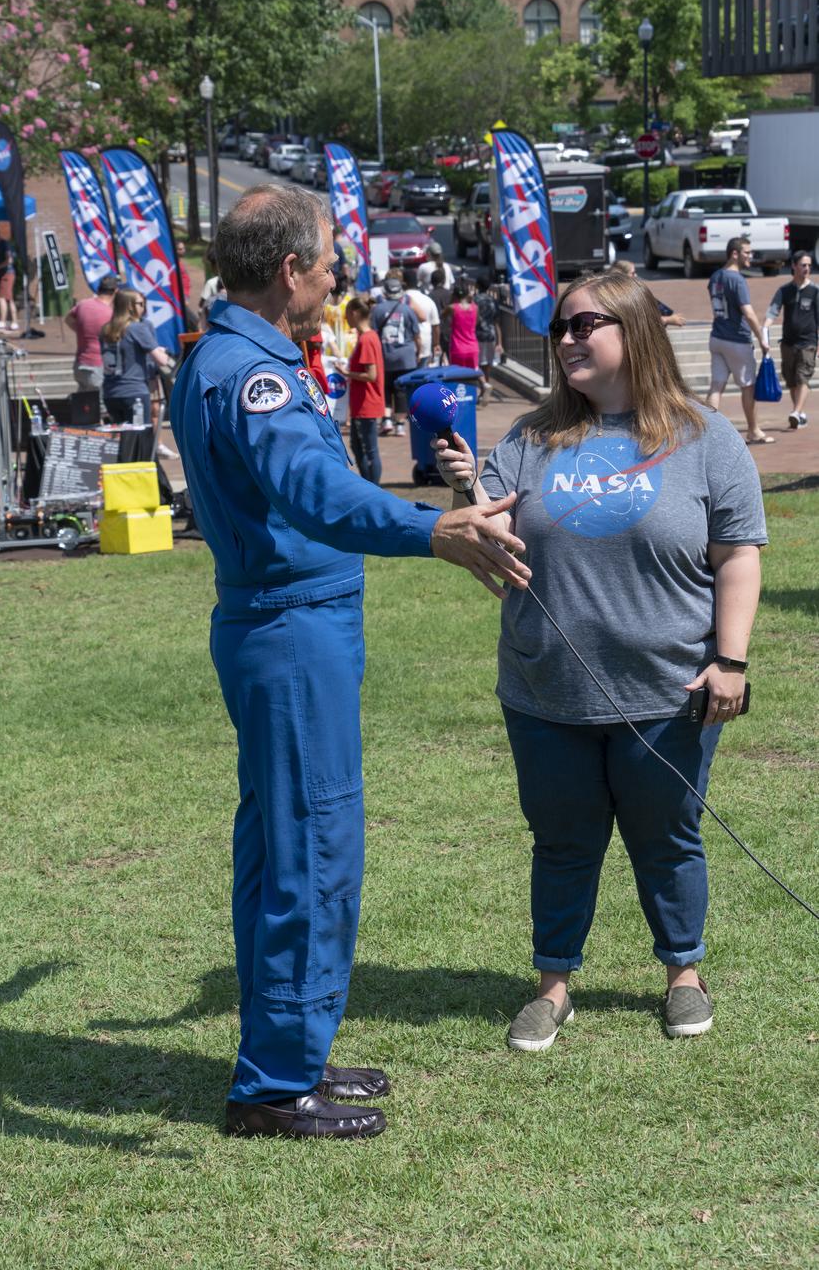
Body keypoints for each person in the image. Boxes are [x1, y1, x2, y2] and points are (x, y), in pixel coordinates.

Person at [169, 183, 531, 1141]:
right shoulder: (255, 375)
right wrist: (431, 530)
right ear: (289, 270)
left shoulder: (223, 356)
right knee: (310, 851)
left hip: (282, 627)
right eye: (330, 263)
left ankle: (292, 1049)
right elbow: (318, 496)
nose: (337, 280)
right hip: (290, 633)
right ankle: (275, 1085)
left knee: (284, 847)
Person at [434, 269, 766, 1052]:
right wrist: (460, 498)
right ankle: (552, 986)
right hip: (543, 691)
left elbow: (737, 558)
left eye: (586, 324)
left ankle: (682, 975)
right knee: (561, 840)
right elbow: (482, 540)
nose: (568, 338)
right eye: (561, 328)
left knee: (667, 835)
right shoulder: (527, 436)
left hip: (668, 691)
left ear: (633, 333)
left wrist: (730, 661)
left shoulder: (704, 438)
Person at [705, 238, 774, 444]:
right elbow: (749, 313)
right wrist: (762, 339)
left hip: (717, 337)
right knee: (748, 386)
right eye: (747, 252)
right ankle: (754, 431)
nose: (750, 256)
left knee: (716, 386)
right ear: (735, 254)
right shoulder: (737, 279)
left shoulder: (715, 277)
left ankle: (706, 433)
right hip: (737, 340)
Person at [762, 250, 818, 430]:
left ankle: (795, 411)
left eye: (809, 265)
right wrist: (765, 327)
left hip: (808, 342)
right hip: (788, 343)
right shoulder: (785, 290)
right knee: (792, 380)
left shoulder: (815, 291)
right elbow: (773, 310)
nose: (807, 268)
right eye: (803, 265)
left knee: (803, 377)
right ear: (794, 266)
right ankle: (799, 414)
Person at [100, 288, 171, 423]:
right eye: (140, 304)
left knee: (120, 441)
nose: (143, 308)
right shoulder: (137, 328)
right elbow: (162, 360)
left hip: (110, 393)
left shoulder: (105, 329)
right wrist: (164, 352)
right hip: (134, 392)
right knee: (140, 440)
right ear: (130, 306)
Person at [339, 294, 384, 483]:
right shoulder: (369, 336)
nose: (346, 318)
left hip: (367, 402)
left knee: (368, 449)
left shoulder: (367, 339)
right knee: (359, 447)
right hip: (363, 403)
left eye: (347, 314)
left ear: (355, 313)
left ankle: (373, 488)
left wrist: (347, 373)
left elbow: (371, 374)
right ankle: (370, 486)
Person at [370, 275, 421, 436]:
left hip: (384, 356)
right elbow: (416, 335)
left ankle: (386, 420)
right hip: (406, 356)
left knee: (385, 388)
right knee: (401, 391)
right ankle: (400, 423)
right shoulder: (407, 310)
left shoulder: (377, 310)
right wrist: (419, 351)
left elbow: (372, 333)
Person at [64, 274, 119, 392]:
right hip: (98, 366)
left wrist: (81, 330)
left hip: (80, 364)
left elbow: (68, 319)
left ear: (99, 289)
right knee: (100, 407)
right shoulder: (110, 314)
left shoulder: (83, 304)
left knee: (84, 405)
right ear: (115, 291)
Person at [610, 259, 686, 327]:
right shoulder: (628, 296)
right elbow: (642, 321)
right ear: (623, 275)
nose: (635, 275)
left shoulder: (613, 292)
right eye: (632, 273)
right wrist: (668, 320)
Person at [444, 278, 484, 392]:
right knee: (473, 372)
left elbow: (442, 316)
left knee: (458, 376)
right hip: (472, 346)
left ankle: (461, 397)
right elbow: (476, 323)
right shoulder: (474, 308)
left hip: (458, 347)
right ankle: (480, 388)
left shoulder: (453, 308)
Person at [402, 268, 440, 367]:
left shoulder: (401, 300)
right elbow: (435, 326)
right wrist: (436, 344)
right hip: (425, 344)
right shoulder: (428, 300)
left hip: (405, 345)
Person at [474, 274, 503, 397]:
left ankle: (483, 387)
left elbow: (473, 320)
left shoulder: (474, 300)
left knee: (477, 363)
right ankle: (486, 385)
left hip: (477, 335)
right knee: (487, 364)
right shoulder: (493, 301)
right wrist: (500, 342)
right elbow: (497, 323)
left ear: (477, 285)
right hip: (491, 335)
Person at [0, 224, 18, 332]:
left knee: (1, 298)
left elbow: (9, 260)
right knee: (9, 299)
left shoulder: (3, 244)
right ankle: (14, 323)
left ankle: (2, 323)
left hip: (7, 274)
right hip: (4, 274)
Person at [429, 268, 452, 361]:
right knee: (453, 363)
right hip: (450, 331)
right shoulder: (450, 294)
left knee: (437, 363)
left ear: (431, 282)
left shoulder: (430, 296)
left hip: (437, 333)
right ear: (443, 281)